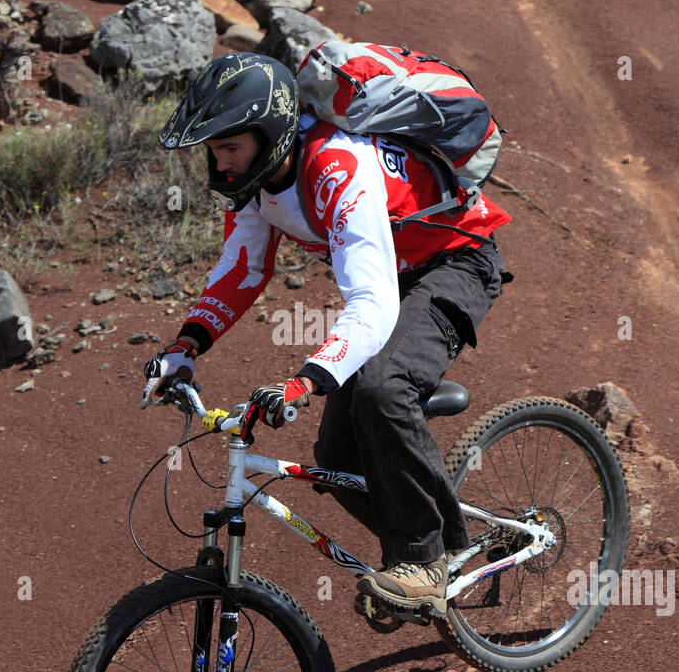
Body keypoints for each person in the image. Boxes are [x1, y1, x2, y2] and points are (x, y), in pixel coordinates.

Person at [141, 51, 512, 621]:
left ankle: (426, 560)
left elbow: (372, 303)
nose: (222, 167)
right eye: (213, 152)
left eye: (230, 149)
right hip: (392, 275)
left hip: (453, 261)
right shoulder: (258, 183)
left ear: (269, 136)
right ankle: (421, 561)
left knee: (383, 391)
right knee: (336, 458)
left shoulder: (338, 167)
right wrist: (183, 347)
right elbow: (242, 270)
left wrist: (306, 381)